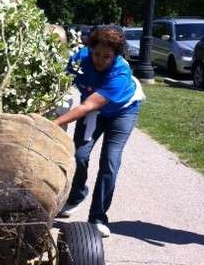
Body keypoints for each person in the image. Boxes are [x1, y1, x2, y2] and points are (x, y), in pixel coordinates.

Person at [53, 25, 145, 238]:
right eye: (97, 54)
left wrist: (53, 123)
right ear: (90, 50)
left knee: (110, 162)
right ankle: (76, 195)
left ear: (115, 55)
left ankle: (98, 217)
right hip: (94, 112)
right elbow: (59, 81)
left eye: (107, 56)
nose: (100, 60)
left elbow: (86, 106)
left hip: (122, 113)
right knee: (79, 155)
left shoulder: (120, 73)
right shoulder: (80, 59)